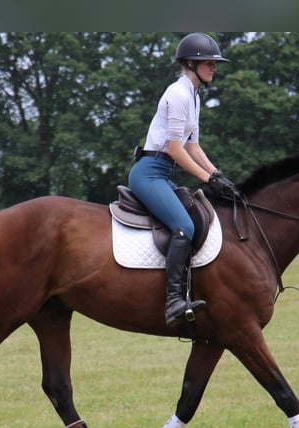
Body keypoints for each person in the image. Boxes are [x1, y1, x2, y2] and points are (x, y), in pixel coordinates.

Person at [128, 32, 237, 326]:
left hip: (163, 174)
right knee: (183, 226)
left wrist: (216, 174)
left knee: (199, 216)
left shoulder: (193, 96)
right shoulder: (177, 94)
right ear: (190, 63)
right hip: (149, 173)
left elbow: (193, 146)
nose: (214, 67)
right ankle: (174, 300)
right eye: (209, 62)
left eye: (215, 63)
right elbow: (175, 149)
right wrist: (205, 178)